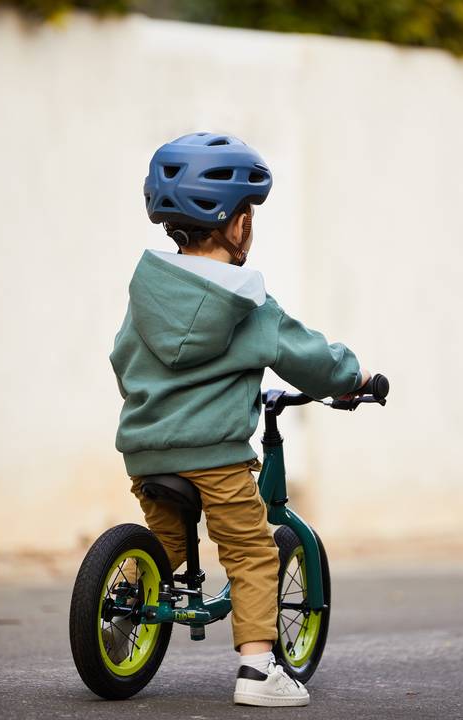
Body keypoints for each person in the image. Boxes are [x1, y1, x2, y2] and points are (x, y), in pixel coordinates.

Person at [109, 132, 369, 707]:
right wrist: (353, 378)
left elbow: (122, 358)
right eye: (249, 213)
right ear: (237, 224)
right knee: (252, 552)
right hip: (216, 455)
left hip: (146, 449)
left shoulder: (146, 293)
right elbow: (309, 359)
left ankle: (121, 615)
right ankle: (257, 671)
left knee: (165, 546)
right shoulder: (250, 305)